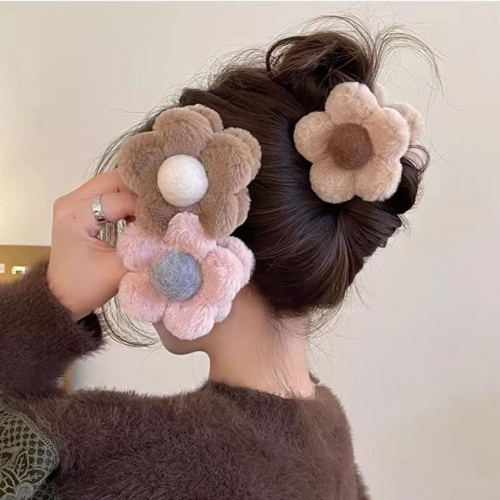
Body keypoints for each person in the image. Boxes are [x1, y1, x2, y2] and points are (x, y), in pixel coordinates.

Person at [0, 19, 433, 500]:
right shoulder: (326, 433)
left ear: (192, 238)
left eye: (140, 222)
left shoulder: (115, 453)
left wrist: (46, 305)